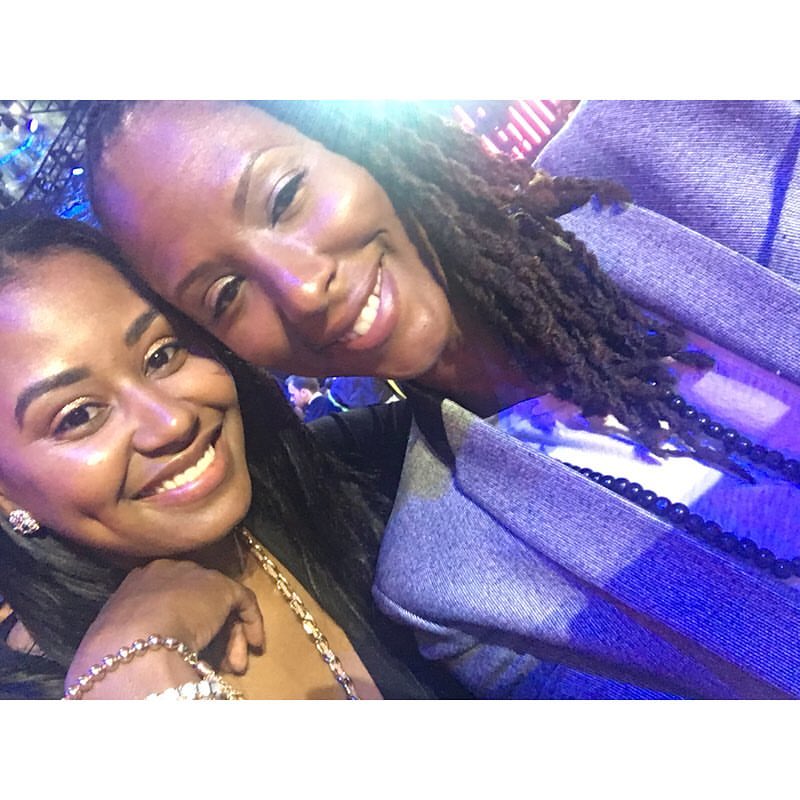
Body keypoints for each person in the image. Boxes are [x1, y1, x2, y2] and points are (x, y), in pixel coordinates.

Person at [82, 101, 800, 699]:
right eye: (226, 294)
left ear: (353, 136)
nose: (301, 289)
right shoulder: (452, 587)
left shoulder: (671, 140)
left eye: (285, 197)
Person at [0, 214, 468, 700]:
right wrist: (129, 681)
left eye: (161, 355)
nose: (172, 422)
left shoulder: (352, 469)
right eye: (78, 416)